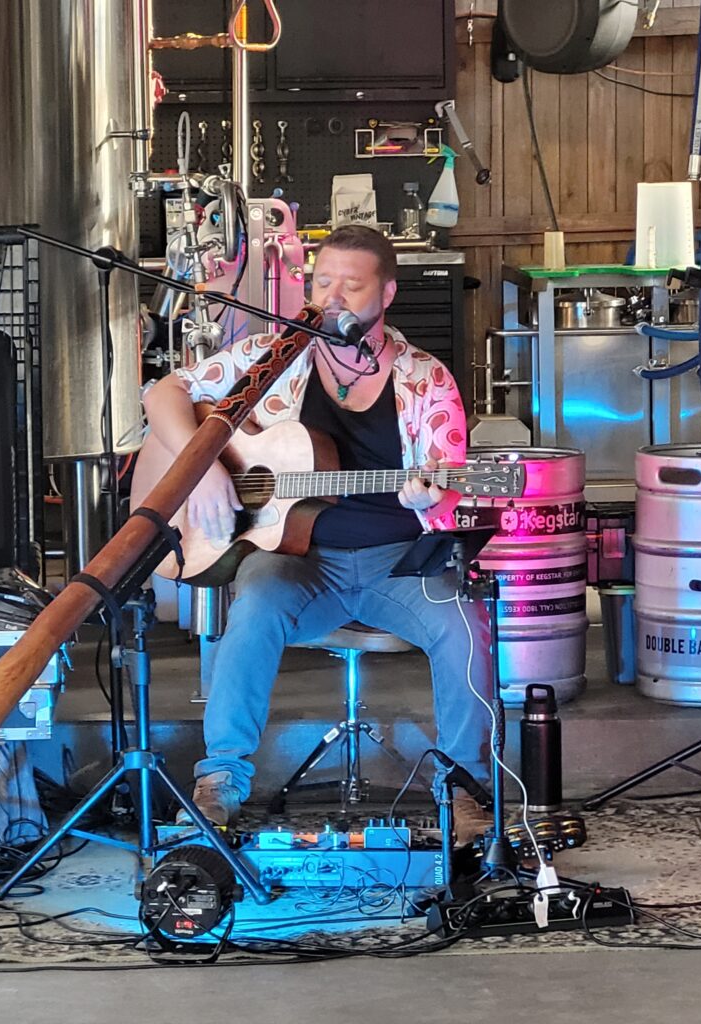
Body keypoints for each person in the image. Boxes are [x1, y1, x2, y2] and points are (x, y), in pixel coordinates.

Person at [133, 224, 493, 844]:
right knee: (254, 606)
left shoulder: (426, 379)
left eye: (352, 285)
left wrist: (431, 493)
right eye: (323, 281)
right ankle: (220, 781)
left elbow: (447, 477)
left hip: (397, 562)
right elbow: (165, 392)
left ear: (387, 294)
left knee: (466, 625)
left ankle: (463, 787)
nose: (333, 297)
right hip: (296, 561)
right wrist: (205, 466)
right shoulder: (271, 358)